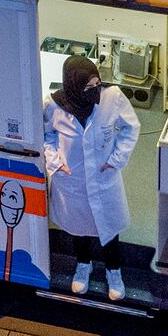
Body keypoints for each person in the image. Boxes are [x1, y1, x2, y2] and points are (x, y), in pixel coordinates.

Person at [43, 55, 140, 300]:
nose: (95, 91)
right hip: (71, 180)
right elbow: (46, 136)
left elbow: (131, 128)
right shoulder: (52, 105)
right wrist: (55, 164)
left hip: (104, 176)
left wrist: (116, 158)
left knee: (108, 228)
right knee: (78, 229)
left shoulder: (112, 97)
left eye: (97, 84)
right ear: (73, 86)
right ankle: (83, 265)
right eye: (88, 87)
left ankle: (113, 271)